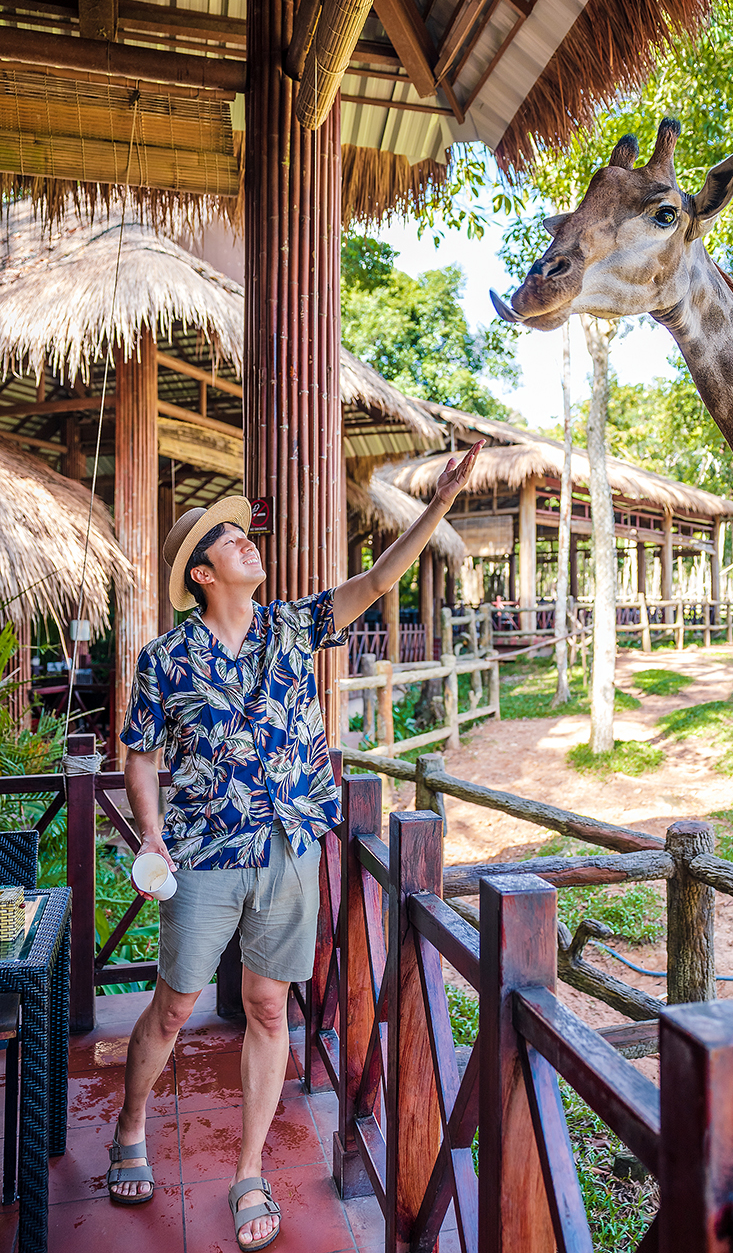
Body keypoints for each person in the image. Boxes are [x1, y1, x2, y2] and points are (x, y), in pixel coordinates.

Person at [106, 442, 482, 1250]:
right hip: (205, 850)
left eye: (246, 534)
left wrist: (440, 502)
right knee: (173, 1005)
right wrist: (151, 829)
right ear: (202, 574)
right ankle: (130, 1122)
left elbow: (380, 579)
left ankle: (248, 1170)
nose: (249, 542)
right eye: (229, 540)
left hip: (291, 848)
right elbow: (140, 753)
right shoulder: (165, 659)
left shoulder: (291, 625)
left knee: (271, 1005)